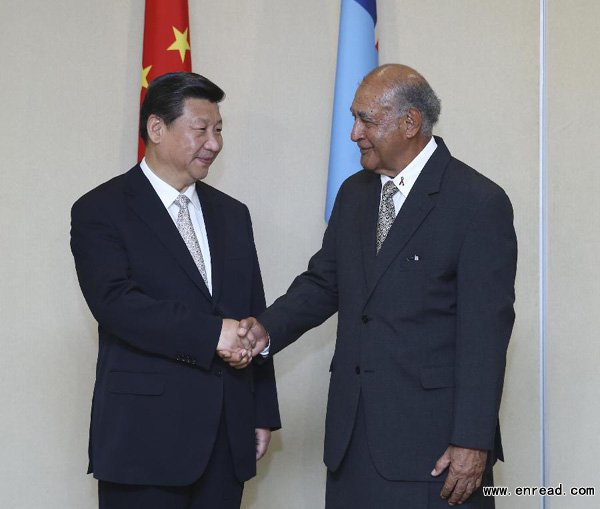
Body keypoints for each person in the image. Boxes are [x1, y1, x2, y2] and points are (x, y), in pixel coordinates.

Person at [226, 64, 517, 508]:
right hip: (352, 444)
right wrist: (265, 331)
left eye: (366, 119)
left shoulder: (476, 202)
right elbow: (324, 284)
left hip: (434, 450)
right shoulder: (355, 194)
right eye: (354, 117)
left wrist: (472, 441)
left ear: (409, 123)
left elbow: (486, 335)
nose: (354, 133)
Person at [70, 72, 280, 509]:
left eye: (219, 129)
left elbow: (252, 313)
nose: (214, 143)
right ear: (156, 128)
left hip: (228, 435)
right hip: (144, 441)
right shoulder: (101, 209)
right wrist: (211, 334)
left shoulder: (233, 214)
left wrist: (261, 413)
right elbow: (116, 305)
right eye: (201, 129)